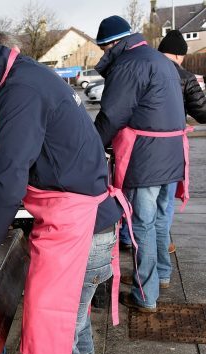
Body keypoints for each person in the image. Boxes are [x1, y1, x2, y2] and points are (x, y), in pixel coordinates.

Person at [0, 16, 127, 354]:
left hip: (77, 231)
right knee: (73, 331)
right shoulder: (22, 76)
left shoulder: (20, 91)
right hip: (85, 224)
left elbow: (8, 180)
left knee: (53, 344)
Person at [93, 16, 189, 312]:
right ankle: (162, 275)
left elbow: (111, 114)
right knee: (160, 220)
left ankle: (145, 296)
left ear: (111, 44)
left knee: (141, 227)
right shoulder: (161, 61)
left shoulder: (129, 63)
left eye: (103, 49)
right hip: (172, 155)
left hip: (146, 158)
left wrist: (92, 146)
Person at [158, 30, 206, 253]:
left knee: (139, 202)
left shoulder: (145, 70)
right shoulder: (185, 77)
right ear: (180, 55)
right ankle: (162, 246)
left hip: (138, 145)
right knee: (165, 201)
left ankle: (133, 241)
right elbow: (202, 113)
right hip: (172, 145)